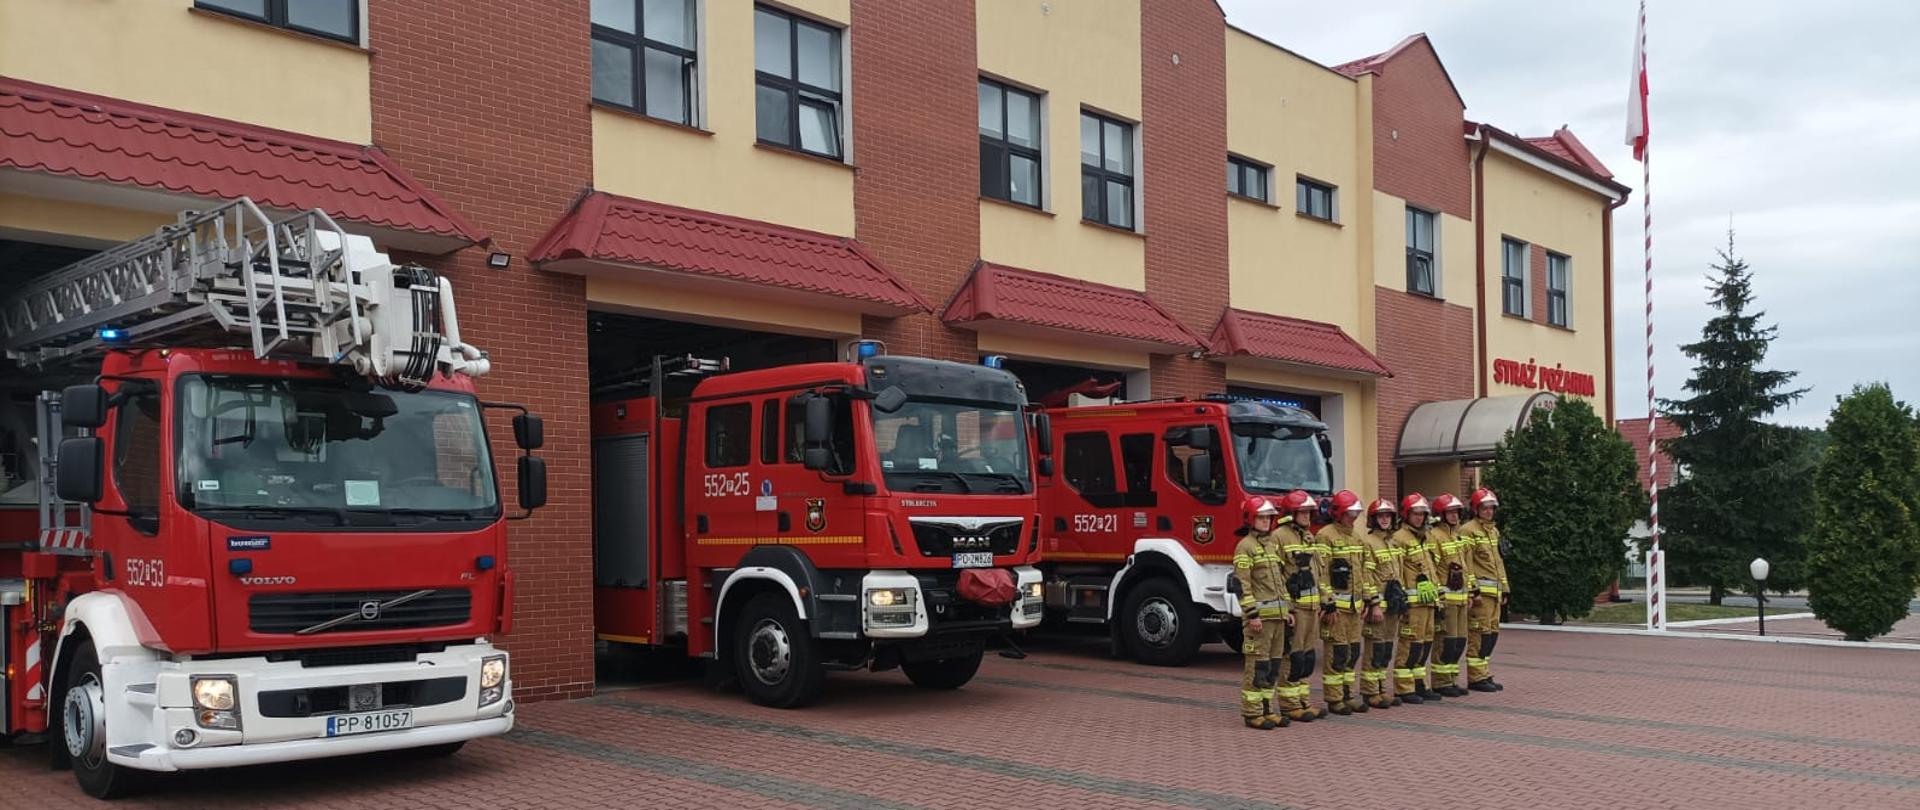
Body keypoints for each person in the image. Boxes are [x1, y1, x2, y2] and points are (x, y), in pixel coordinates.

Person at [1232, 496, 1291, 729]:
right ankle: (1252, 712)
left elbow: (1280, 583)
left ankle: (1267, 710)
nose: (1266, 521)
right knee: (1257, 667)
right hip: (1260, 621)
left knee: (1272, 667)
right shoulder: (1245, 546)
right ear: (1250, 519)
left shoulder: (1271, 546)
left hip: (1278, 618)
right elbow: (1242, 585)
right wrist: (1252, 615)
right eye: (1261, 517)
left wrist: (1288, 610)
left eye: (1269, 517)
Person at [1275, 489, 1328, 722]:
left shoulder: (1308, 537)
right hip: (1296, 609)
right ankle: (1289, 705)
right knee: (1292, 657)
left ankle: (1303, 701)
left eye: (1309, 512)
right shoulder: (1279, 537)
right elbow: (1277, 576)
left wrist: (1325, 601)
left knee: (1306, 658)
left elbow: (1318, 573)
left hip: (1312, 608)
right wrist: (1287, 608)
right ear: (1291, 513)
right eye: (1303, 512)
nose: (1307, 516)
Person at [1315, 490, 1370, 715]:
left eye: (1355, 514)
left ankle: (1349, 695)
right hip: (1336, 610)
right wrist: (1328, 603)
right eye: (1349, 513)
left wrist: (1367, 600)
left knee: (1352, 652)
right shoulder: (1325, 536)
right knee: (1336, 654)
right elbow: (1321, 573)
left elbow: (1363, 572)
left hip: (1355, 609)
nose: (1353, 518)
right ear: (1338, 513)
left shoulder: (1357, 537)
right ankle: (1335, 698)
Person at [1391, 493, 1441, 703]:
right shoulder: (1399, 538)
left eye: (1422, 514)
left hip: (1428, 601)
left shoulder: (1426, 537)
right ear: (1406, 514)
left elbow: (1432, 569)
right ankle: (1404, 688)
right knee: (1409, 645)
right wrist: (1401, 600)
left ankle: (1419, 683)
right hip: (1412, 604)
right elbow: (1397, 571)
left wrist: (1438, 599)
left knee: (1425, 643)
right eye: (1415, 514)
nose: (1419, 518)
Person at [1357, 497, 1405, 709]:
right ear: (1373, 519)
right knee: (1374, 650)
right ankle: (1370, 692)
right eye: (1381, 516)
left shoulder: (1393, 543)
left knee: (1385, 650)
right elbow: (1366, 576)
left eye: (1388, 516)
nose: (1385, 520)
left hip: (1392, 606)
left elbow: (1399, 575)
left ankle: (1381, 689)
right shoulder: (1368, 543)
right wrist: (1374, 604)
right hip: (1378, 608)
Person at [1461, 488, 1510, 692]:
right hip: (1481, 595)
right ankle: (1476, 677)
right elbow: (1467, 563)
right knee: (1479, 634)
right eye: (1485, 508)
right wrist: (1473, 591)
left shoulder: (1493, 531)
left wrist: (1505, 589)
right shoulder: (1468, 531)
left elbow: (1498, 563)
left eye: (1491, 508)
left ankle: (1484, 672)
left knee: (1491, 635)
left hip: (1495, 593)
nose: (1489, 512)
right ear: (1476, 509)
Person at [1425, 493, 1474, 698]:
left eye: (1456, 512)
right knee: (1446, 642)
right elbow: (1432, 569)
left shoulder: (1457, 536)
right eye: (1450, 512)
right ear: (1440, 514)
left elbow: (1465, 568)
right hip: (1447, 600)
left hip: (1461, 599)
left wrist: (1470, 592)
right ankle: (1441, 682)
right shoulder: (1434, 536)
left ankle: (1452, 679)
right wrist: (1439, 596)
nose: (1454, 516)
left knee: (1459, 642)